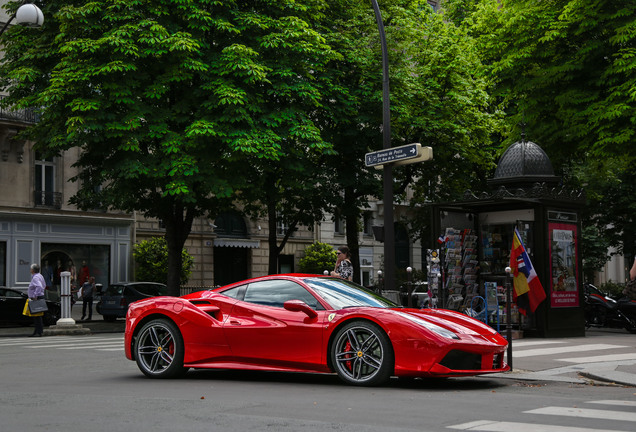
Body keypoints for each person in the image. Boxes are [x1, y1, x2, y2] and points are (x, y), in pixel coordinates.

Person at [28, 263, 46, 337]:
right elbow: (44, 285)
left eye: (30, 269)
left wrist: (35, 295)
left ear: (32, 270)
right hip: (40, 296)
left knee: (36, 316)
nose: (30, 270)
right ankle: (38, 331)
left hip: (37, 297)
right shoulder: (40, 276)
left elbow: (39, 286)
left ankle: (39, 332)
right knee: (37, 316)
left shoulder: (35, 277)